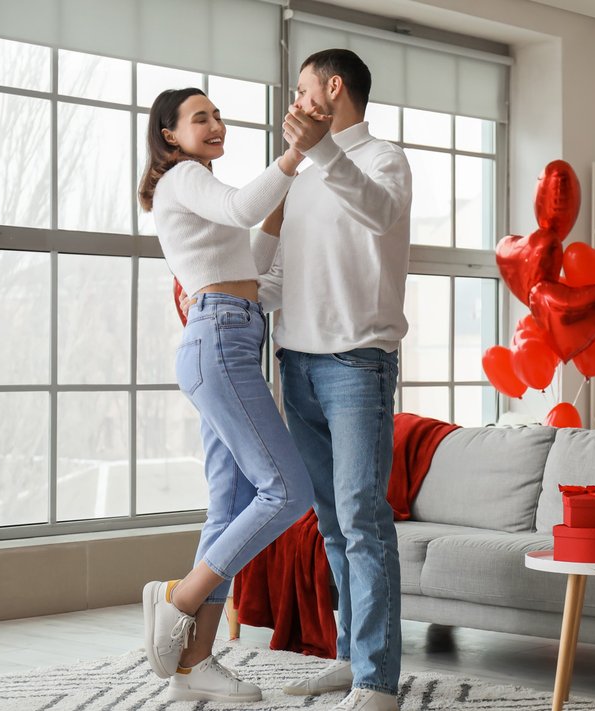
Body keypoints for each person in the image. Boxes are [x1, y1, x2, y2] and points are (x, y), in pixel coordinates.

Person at [137, 86, 330, 703]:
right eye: (201, 118)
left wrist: (278, 211)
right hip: (219, 340)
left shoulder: (198, 194)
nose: (216, 124)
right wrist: (293, 157)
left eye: (218, 115)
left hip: (233, 336)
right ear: (169, 135)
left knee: (229, 505)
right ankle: (180, 597)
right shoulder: (183, 178)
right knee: (288, 489)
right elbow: (244, 206)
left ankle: (193, 670)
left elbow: (258, 280)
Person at [252, 49, 412, 711]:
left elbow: (376, 212)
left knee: (364, 519)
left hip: (356, 364)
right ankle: (350, 659)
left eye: (301, 89)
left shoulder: (383, 160)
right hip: (298, 363)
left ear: (333, 88)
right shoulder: (302, 175)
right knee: (332, 524)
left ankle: (378, 680)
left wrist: (319, 153)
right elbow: (280, 273)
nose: (293, 101)